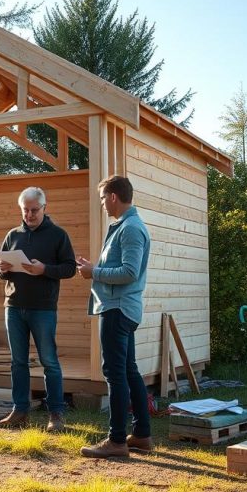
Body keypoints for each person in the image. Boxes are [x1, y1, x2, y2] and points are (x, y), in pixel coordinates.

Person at [76, 175, 153, 458]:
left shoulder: (131, 228)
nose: (102, 206)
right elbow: (120, 268)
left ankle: (117, 441)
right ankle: (142, 435)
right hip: (121, 308)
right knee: (129, 371)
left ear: (112, 197)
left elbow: (129, 273)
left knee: (115, 374)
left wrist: (93, 272)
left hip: (117, 309)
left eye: (102, 200)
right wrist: (93, 268)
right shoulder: (125, 226)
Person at [0, 186, 76, 432]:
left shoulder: (58, 235)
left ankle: (56, 414)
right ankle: (20, 411)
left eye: (34, 210)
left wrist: (45, 270)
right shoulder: (13, 234)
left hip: (43, 308)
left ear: (44, 208)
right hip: (14, 306)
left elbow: (70, 268)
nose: (29, 215)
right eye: (25, 210)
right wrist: (1, 269)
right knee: (18, 362)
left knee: (49, 361)